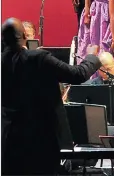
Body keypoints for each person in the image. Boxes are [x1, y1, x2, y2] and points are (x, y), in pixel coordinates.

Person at [2, 18, 101, 175]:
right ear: (25, 37)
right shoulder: (39, 59)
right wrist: (91, 57)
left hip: (8, 141)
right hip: (42, 139)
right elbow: (77, 75)